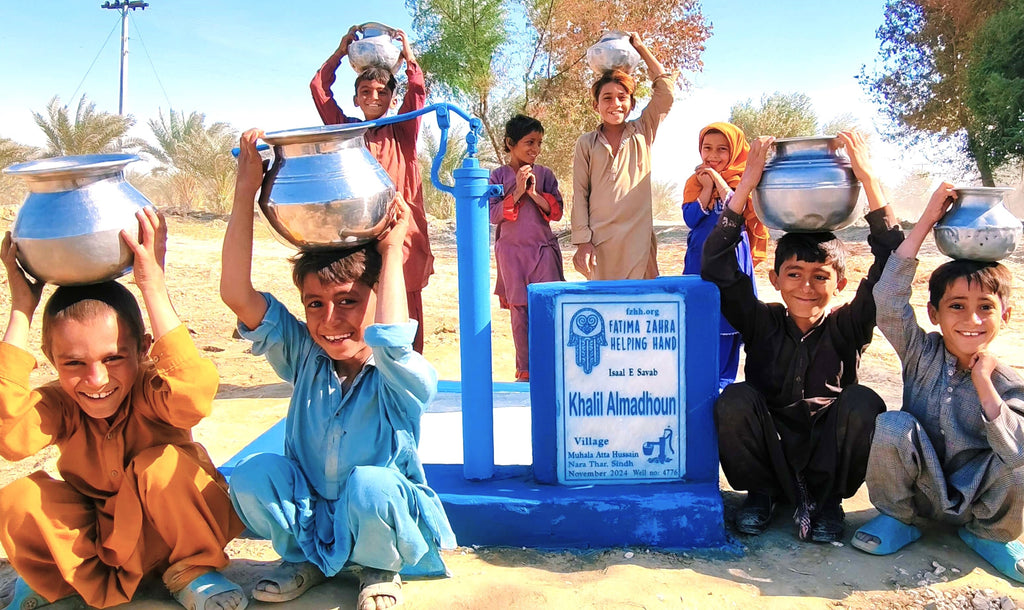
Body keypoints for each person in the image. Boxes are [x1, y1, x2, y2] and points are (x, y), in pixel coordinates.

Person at [222, 130, 457, 609]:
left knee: (370, 485)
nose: (330, 321)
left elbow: (392, 340)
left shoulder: (400, 379)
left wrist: (392, 251)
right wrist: (246, 192)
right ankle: (304, 560)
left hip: (378, 513)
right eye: (315, 304)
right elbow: (236, 294)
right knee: (252, 475)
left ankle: (379, 569)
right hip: (313, 514)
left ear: (375, 299)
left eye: (349, 301)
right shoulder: (305, 354)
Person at [0, 209, 245, 610]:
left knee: (163, 466)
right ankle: (61, 583)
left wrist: (153, 287)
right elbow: (9, 437)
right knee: (18, 498)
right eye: (74, 364)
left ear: (143, 350)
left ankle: (193, 570)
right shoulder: (60, 403)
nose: (96, 381)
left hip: (170, 535)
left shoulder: (152, 389)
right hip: (104, 543)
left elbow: (195, 396)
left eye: (113, 358)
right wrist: (21, 310)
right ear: (50, 359)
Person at [701, 131, 904, 543]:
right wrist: (748, 183)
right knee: (735, 399)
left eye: (820, 277)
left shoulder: (850, 324)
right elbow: (717, 266)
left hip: (826, 453)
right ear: (775, 280)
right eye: (794, 274)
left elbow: (893, 262)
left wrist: (867, 180)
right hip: (770, 448)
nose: (806, 287)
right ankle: (761, 495)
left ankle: (828, 502)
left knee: (864, 401)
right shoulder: (762, 321)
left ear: (841, 283)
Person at [852, 182, 1024, 584]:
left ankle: (991, 535)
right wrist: (927, 221)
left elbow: (1015, 455)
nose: (972, 320)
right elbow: (890, 300)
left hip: (978, 499)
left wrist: (983, 382)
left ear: (1006, 315)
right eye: (957, 307)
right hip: (921, 494)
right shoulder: (921, 353)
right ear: (934, 312)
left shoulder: (1007, 381)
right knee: (892, 425)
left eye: (986, 308)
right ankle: (897, 519)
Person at [311, 25, 433, 353]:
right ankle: (365, 369)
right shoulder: (347, 130)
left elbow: (418, 91)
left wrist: (407, 55)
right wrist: (340, 52)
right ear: (356, 97)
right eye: (366, 91)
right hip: (359, 233)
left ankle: (410, 368)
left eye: (381, 92)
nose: (373, 98)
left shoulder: (403, 129)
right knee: (361, 298)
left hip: (402, 233)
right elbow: (319, 89)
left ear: (392, 99)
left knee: (406, 302)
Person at [571, 32, 674, 280]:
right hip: (600, 244)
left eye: (622, 97)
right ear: (596, 105)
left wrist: (641, 47)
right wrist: (583, 242)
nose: (615, 104)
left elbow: (666, 92)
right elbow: (580, 193)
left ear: (631, 103)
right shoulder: (586, 143)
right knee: (607, 311)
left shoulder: (643, 131)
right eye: (607, 98)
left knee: (641, 312)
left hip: (638, 243)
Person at [680, 122, 764, 389]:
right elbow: (691, 219)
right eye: (707, 148)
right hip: (699, 262)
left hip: (732, 263)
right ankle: (701, 389)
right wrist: (706, 189)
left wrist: (716, 180)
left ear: (735, 151)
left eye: (722, 149)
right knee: (699, 321)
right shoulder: (694, 182)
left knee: (730, 317)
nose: (713, 156)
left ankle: (725, 388)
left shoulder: (743, 182)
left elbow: (735, 211)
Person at [489, 114, 565, 382]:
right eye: (529, 142)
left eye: (539, 143)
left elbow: (555, 212)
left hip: (542, 251)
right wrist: (518, 191)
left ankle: (553, 367)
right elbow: (493, 214)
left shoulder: (545, 175)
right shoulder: (497, 176)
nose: (535, 149)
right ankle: (525, 372)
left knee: (548, 307)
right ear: (510, 143)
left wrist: (533, 193)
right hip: (511, 254)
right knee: (520, 313)